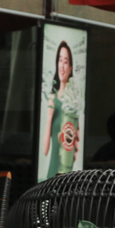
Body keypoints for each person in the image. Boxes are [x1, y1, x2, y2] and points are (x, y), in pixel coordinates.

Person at [41, 39, 82, 178]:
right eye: (60, 60)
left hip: (67, 175)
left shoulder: (73, 104)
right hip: (52, 174)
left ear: (70, 68)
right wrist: (49, 117)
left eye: (65, 61)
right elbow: (45, 150)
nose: (62, 65)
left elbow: (77, 148)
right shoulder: (52, 99)